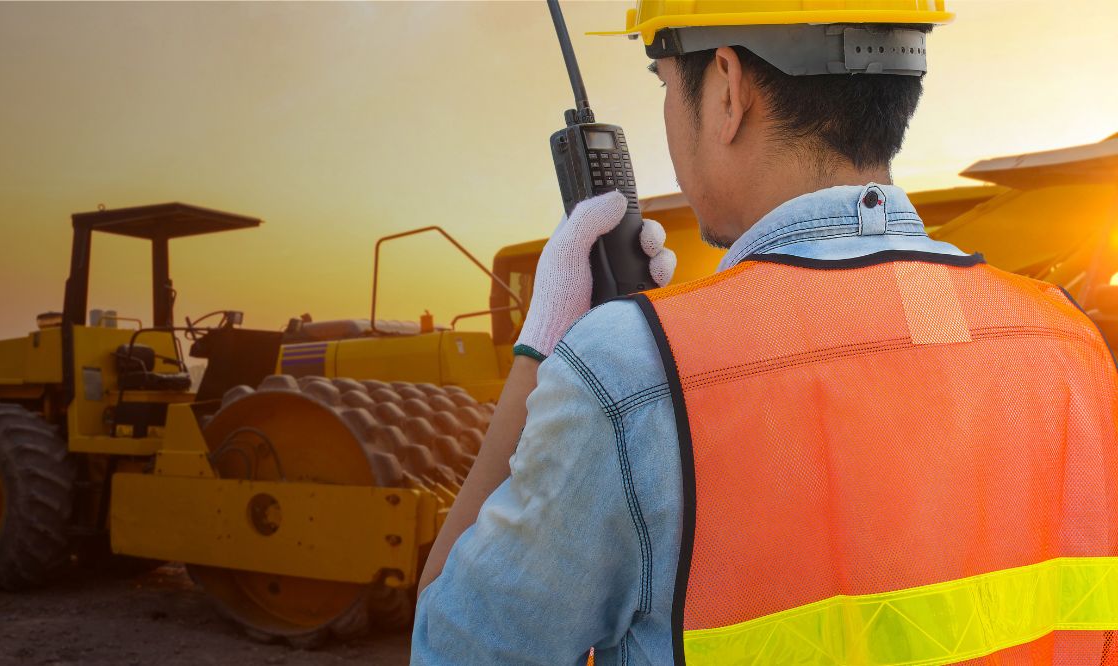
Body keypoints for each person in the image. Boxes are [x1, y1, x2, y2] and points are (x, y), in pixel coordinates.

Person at [412, 2, 1118, 663]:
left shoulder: (632, 371)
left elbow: (454, 645)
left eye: (664, 82)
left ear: (727, 87)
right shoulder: (1070, 345)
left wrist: (541, 355)